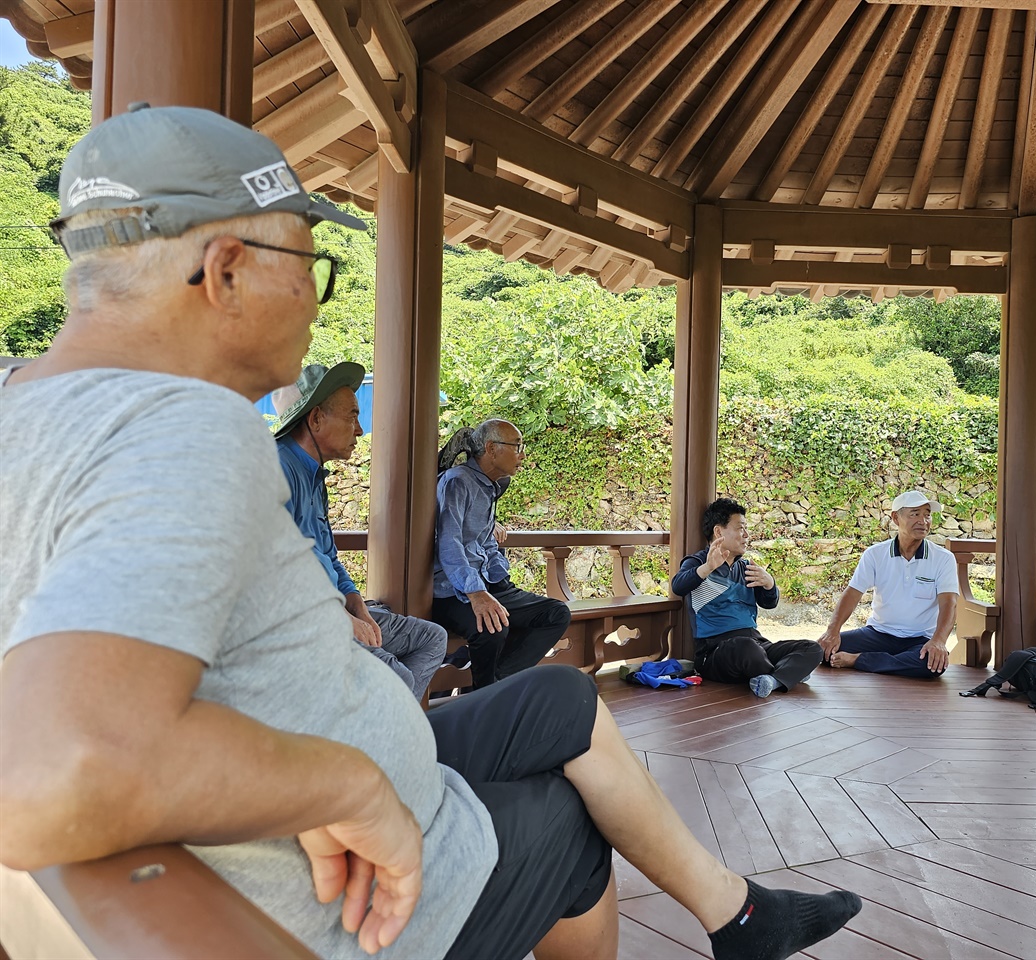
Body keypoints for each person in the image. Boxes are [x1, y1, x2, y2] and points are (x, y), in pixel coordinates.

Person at [0, 105, 860, 960]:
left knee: (562, 698)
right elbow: (49, 772)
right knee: (568, 823)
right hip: (364, 889)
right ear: (226, 269)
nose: (313, 296)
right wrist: (354, 787)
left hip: (358, 779)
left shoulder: (26, 408)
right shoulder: (182, 426)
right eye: (310, 262)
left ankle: (739, 916)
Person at [272, 361, 446, 702]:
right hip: (302, 621)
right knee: (395, 675)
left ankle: (383, 733)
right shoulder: (277, 469)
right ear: (316, 418)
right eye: (352, 415)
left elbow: (328, 556)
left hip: (335, 607)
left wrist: (356, 603)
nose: (360, 430)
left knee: (431, 639)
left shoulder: (314, 477)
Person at [431, 422, 572, 688]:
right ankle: (485, 697)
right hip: (452, 590)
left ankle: (495, 685)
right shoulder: (457, 481)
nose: (522, 454)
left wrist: (500, 580)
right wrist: (476, 593)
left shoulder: (492, 485)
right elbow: (449, 544)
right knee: (493, 627)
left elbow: (484, 541)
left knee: (555, 613)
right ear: (491, 449)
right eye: (517, 446)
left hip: (487, 583)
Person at [673, 498, 822, 698]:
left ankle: (772, 680)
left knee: (813, 648)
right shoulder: (698, 561)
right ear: (718, 532)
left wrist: (770, 583)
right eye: (740, 528)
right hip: (716, 651)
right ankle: (788, 673)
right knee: (746, 648)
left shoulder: (746, 567)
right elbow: (678, 586)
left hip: (756, 642)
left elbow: (769, 603)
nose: (746, 535)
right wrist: (708, 567)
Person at [818, 492, 958, 678]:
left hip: (919, 639)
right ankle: (889, 661)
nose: (923, 521)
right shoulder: (875, 554)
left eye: (927, 515)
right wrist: (832, 631)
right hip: (877, 634)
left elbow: (949, 603)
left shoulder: (943, 558)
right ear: (895, 518)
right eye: (915, 514)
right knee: (823, 652)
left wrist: (939, 641)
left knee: (931, 666)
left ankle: (857, 660)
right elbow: (852, 594)